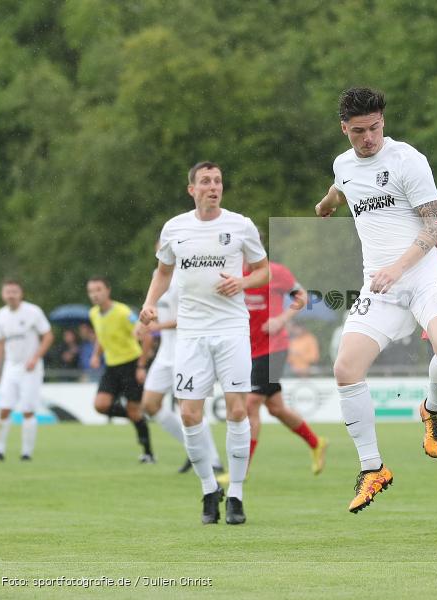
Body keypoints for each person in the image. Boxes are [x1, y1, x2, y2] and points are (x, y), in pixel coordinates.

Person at [315, 87, 437, 513]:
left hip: (420, 274)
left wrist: (398, 268)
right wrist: (327, 203)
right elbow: (343, 184)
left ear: (384, 122)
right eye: (359, 131)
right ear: (344, 128)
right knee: (345, 369)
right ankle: (373, 468)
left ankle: (432, 408)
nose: (369, 138)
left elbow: (436, 227)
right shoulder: (343, 163)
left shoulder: (407, 160)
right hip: (379, 286)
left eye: (375, 128)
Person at [140, 161, 269, 525]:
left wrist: (242, 283)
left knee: (238, 411)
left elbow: (264, 271)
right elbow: (163, 273)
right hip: (191, 333)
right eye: (206, 182)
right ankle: (209, 489)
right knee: (188, 414)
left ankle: (237, 495)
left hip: (231, 329)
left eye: (218, 181)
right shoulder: (174, 228)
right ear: (192, 189)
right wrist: (150, 303)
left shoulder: (240, 225)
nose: (214, 187)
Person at [137, 260, 223, 475]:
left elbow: (192, 315)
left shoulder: (188, 274)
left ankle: (213, 460)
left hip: (186, 350)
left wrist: (157, 327)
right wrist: (145, 321)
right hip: (164, 353)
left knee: (190, 408)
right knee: (149, 404)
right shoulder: (158, 274)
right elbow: (154, 309)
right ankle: (193, 449)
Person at [244, 259, 326, 475]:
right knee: (276, 408)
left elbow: (302, 296)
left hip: (273, 347)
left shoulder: (276, 272)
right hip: (248, 348)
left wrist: (281, 319)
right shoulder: (234, 272)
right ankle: (316, 443)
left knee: (251, 404)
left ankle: (240, 470)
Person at [86, 276, 154, 463]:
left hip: (131, 365)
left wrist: (141, 365)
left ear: (108, 290)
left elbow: (146, 337)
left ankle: (148, 453)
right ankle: (136, 417)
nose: (95, 294)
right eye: (91, 291)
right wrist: (95, 355)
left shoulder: (123, 312)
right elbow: (101, 335)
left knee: (134, 411)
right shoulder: (93, 313)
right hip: (111, 366)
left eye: (98, 290)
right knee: (100, 405)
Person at [0, 279, 53, 461]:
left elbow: (48, 336)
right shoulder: (1, 315)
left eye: (14, 292)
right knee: (4, 408)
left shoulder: (33, 312)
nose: (11, 295)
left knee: (27, 410)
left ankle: (26, 453)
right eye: (8, 292)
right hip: (11, 367)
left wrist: (35, 358)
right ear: (3, 294)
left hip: (30, 368)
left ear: (21, 293)